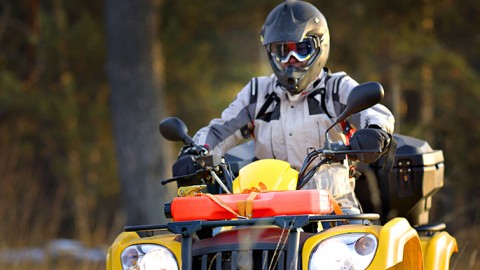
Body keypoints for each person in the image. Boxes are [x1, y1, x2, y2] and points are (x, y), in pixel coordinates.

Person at [173, 0, 394, 218]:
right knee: (223, 247)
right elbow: (220, 130)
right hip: (266, 213)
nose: (291, 60)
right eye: (282, 51)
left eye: (301, 50)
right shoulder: (257, 92)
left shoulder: (336, 88)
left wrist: (376, 131)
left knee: (354, 250)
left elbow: (374, 113)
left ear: (320, 46)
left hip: (332, 208)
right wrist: (196, 153)